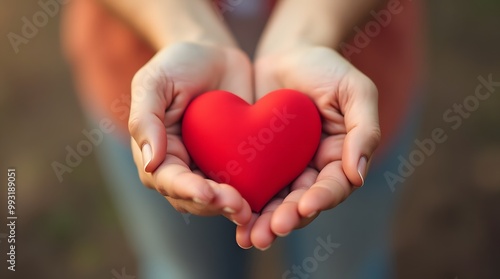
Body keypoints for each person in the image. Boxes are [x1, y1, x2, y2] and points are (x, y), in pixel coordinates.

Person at [62, 0, 424, 278]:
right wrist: (187, 31)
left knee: (344, 269)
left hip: (349, 81)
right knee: (185, 270)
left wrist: (307, 32)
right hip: (148, 75)